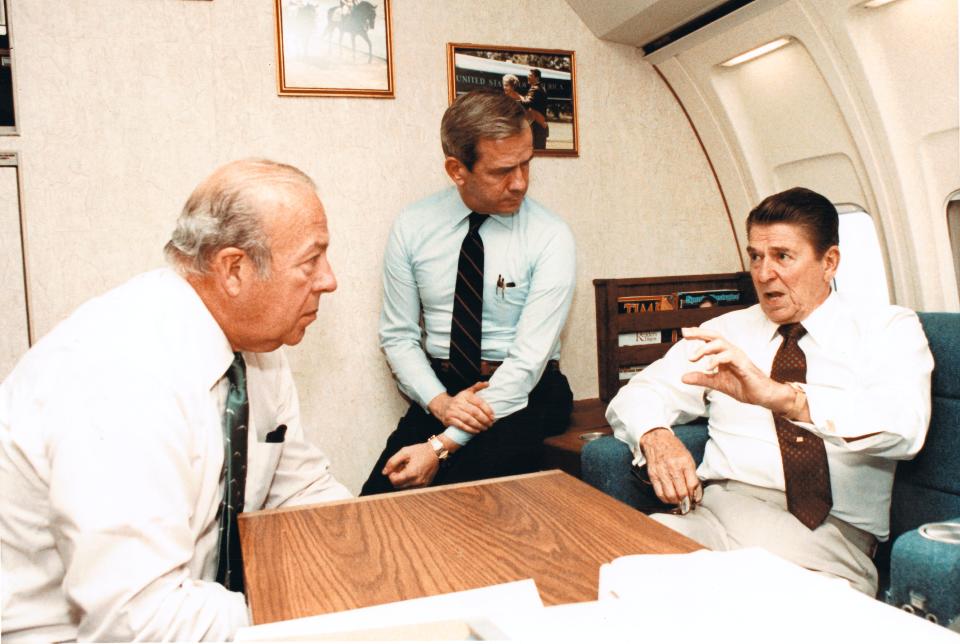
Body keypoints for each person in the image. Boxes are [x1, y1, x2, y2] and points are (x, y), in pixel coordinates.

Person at [0, 159, 351, 642]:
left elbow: (297, 491)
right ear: (234, 269)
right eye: (311, 260)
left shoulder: (256, 346)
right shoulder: (122, 375)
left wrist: (370, 558)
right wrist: (315, 608)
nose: (329, 280)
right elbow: (135, 621)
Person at [605, 187, 933, 595]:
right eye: (756, 256)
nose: (763, 274)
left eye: (782, 256)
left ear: (829, 262)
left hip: (825, 547)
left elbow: (905, 429)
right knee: (618, 574)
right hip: (715, 520)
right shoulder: (725, 332)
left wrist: (787, 400)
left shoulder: (887, 329)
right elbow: (639, 393)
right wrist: (657, 438)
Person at [361, 90, 576, 495]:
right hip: (443, 394)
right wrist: (440, 404)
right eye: (502, 171)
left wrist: (441, 446)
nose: (521, 184)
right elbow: (398, 336)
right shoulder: (413, 226)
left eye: (527, 164)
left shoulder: (551, 236)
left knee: (459, 504)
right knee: (376, 503)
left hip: (523, 396)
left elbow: (528, 362)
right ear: (457, 169)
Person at [504, 68, 549, 150]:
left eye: (530, 75)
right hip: (539, 125)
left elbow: (527, 103)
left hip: (537, 127)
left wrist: (513, 102)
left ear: (537, 78)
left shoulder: (535, 89)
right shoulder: (538, 88)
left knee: (537, 151)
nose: (527, 77)